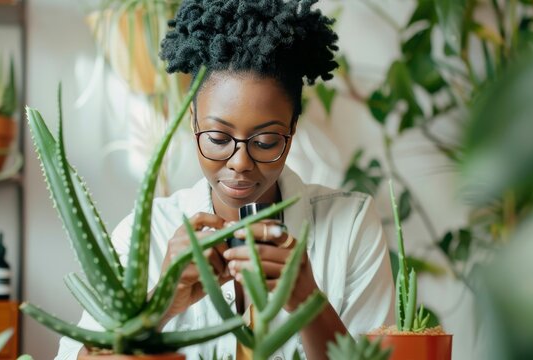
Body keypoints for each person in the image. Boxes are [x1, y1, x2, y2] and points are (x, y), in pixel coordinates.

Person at [57, 0, 394, 359]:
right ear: (193, 122)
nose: (240, 163)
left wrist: (308, 302)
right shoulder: (149, 234)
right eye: (218, 139)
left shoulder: (351, 225)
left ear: (292, 130)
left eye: (265, 142)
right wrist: (159, 305)